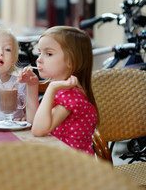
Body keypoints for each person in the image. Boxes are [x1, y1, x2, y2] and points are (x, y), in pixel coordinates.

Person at [18, 26, 98, 155]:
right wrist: (32, 86)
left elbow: (38, 130)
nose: (39, 59)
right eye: (39, 53)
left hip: (74, 167)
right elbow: (33, 123)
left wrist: (51, 88)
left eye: (48, 54)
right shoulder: (63, 90)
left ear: (71, 61)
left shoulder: (70, 95)